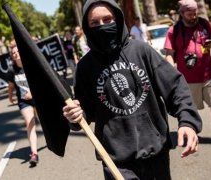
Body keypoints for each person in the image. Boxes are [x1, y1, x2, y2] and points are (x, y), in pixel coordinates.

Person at [62, 0, 202, 179]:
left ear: (118, 19)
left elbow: (175, 87)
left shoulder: (142, 51)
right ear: (87, 27)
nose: (103, 26)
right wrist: (74, 116)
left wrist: (188, 122)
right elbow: (85, 111)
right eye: (95, 23)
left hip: (155, 153)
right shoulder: (85, 67)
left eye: (107, 19)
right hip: (116, 161)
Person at [164, 0, 211, 128]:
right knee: (189, 111)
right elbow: (169, 53)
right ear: (181, 13)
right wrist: (172, 72)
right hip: (188, 80)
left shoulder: (204, 24)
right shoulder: (174, 31)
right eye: (189, 14)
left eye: (195, 13)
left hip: (209, 75)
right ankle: (192, 135)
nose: (193, 17)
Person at [7, 40, 39, 166]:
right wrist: (10, 97)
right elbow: (10, 86)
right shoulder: (11, 70)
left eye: (17, 51)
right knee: (30, 123)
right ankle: (34, 153)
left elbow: (41, 80)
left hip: (38, 99)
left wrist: (33, 92)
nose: (15, 54)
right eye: (13, 53)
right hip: (24, 102)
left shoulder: (31, 65)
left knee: (46, 120)